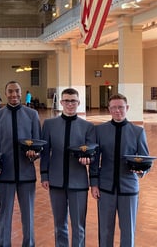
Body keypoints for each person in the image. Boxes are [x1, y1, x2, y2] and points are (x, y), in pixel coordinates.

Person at [90, 93, 150, 247]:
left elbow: (145, 160)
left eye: (121, 107)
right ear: (109, 109)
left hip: (129, 188)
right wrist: (94, 184)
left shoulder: (137, 132)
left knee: (128, 230)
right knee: (105, 230)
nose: (118, 111)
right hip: (105, 188)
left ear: (127, 108)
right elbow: (95, 161)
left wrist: (142, 171)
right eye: (114, 107)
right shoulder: (100, 131)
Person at [40, 88, 95, 247]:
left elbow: (92, 152)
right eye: (66, 101)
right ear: (61, 102)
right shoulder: (49, 124)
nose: (70, 104)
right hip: (56, 180)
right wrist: (44, 175)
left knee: (78, 226)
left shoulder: (87, 127)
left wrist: (88, 160)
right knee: (59, 225)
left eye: (73, 101)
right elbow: (45, 152)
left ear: (78, 103)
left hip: (78, 182)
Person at [0, 80, 41, 247]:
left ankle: (29, 244)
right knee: (4, 215)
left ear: (21, 92)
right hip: (4, 176)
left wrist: (34, 155)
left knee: (28, 216)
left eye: (17, 91)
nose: (14, 94)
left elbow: (38, 145)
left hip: (27, 175)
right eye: (10, 91)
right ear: (5, 93)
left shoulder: (32, 115)